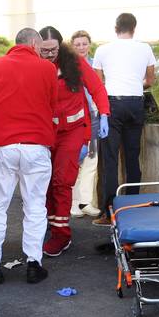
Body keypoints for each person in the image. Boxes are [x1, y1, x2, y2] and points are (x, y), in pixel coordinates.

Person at [0, 28, 58, 284]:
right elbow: (52, 103)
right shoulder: (46, 69)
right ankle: (34, 262)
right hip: (35, 144)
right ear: (34, 43)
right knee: (35, 206)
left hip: (1, 146)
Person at [38, 27, 110, 257]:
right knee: (44, 182)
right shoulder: (35, 65)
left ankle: (62, 234)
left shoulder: (74, 64)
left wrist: (105, 114)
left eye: (54, 49)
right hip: (45, 132)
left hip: (72, 131)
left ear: (61, 46)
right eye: (44, 50)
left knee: (62, 180)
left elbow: (97, 88)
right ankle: (52, 224)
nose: (49, 54)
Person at [92, 13, 156, 225]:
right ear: (134, 28)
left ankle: (109, 211)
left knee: (109, 158)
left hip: (111, 103)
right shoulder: (145, 48)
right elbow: (150, 80)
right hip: (135, 103)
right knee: (132, 156)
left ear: (115, 27)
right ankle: (133, 207)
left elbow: (97, 84)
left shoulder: (103, 49)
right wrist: (134, 84)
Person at [69, 30, 103, 218]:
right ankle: (73, 203)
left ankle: (85, 202)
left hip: (94, 116)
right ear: (72, 47)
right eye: (77, 44)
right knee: (75, 161)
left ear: (89, 45)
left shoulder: (95, 65)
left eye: (84, 44)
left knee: (91, 159)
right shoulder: (70, 67)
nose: (82, 47)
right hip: (77, 118)